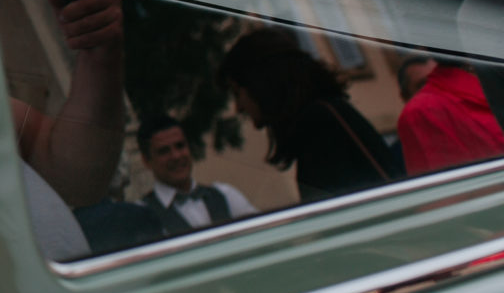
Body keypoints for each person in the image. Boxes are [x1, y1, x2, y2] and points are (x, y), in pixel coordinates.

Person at [220, 29, 399, 201]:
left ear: (261, 85)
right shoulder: (318, 121)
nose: (238, 107)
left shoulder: (320, 125)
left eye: (237, 93)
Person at [135, 115, 255, 232]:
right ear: (146, 161)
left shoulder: (225, 196)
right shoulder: (141, 217)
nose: (176, 156)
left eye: (180, 146)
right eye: (164, 151)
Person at [395, 54, 504, 175]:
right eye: (422, 84)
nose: (435, 85)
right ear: (405, 96)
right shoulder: (421, 111)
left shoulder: (485, 96)